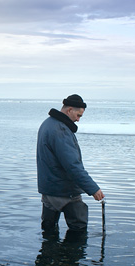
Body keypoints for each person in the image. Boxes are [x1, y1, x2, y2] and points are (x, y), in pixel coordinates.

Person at [36, 94, 104, 232]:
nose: (78, 120)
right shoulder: (60, 130)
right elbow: (72, 165)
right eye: (78, 115)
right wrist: (93, 189)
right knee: (78, 229)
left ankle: (48, 252)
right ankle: (73, 253)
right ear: (69, 110)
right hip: (65, 191)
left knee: (48, 229)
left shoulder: (47, 123)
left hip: (48, 189)